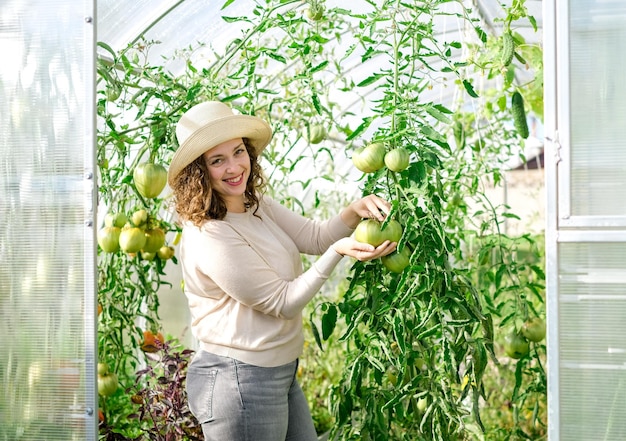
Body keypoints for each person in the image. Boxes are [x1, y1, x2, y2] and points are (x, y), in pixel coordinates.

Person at [167, 101, 397, 441]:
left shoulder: (255, 205)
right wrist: (338, 253)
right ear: (198, 172)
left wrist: (354, 211)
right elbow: (281, 301)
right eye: (218, 160)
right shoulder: (209, 233)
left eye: (238, 152)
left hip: (279, 371)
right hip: (240, 381)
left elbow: (314, 236)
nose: (234, 167)